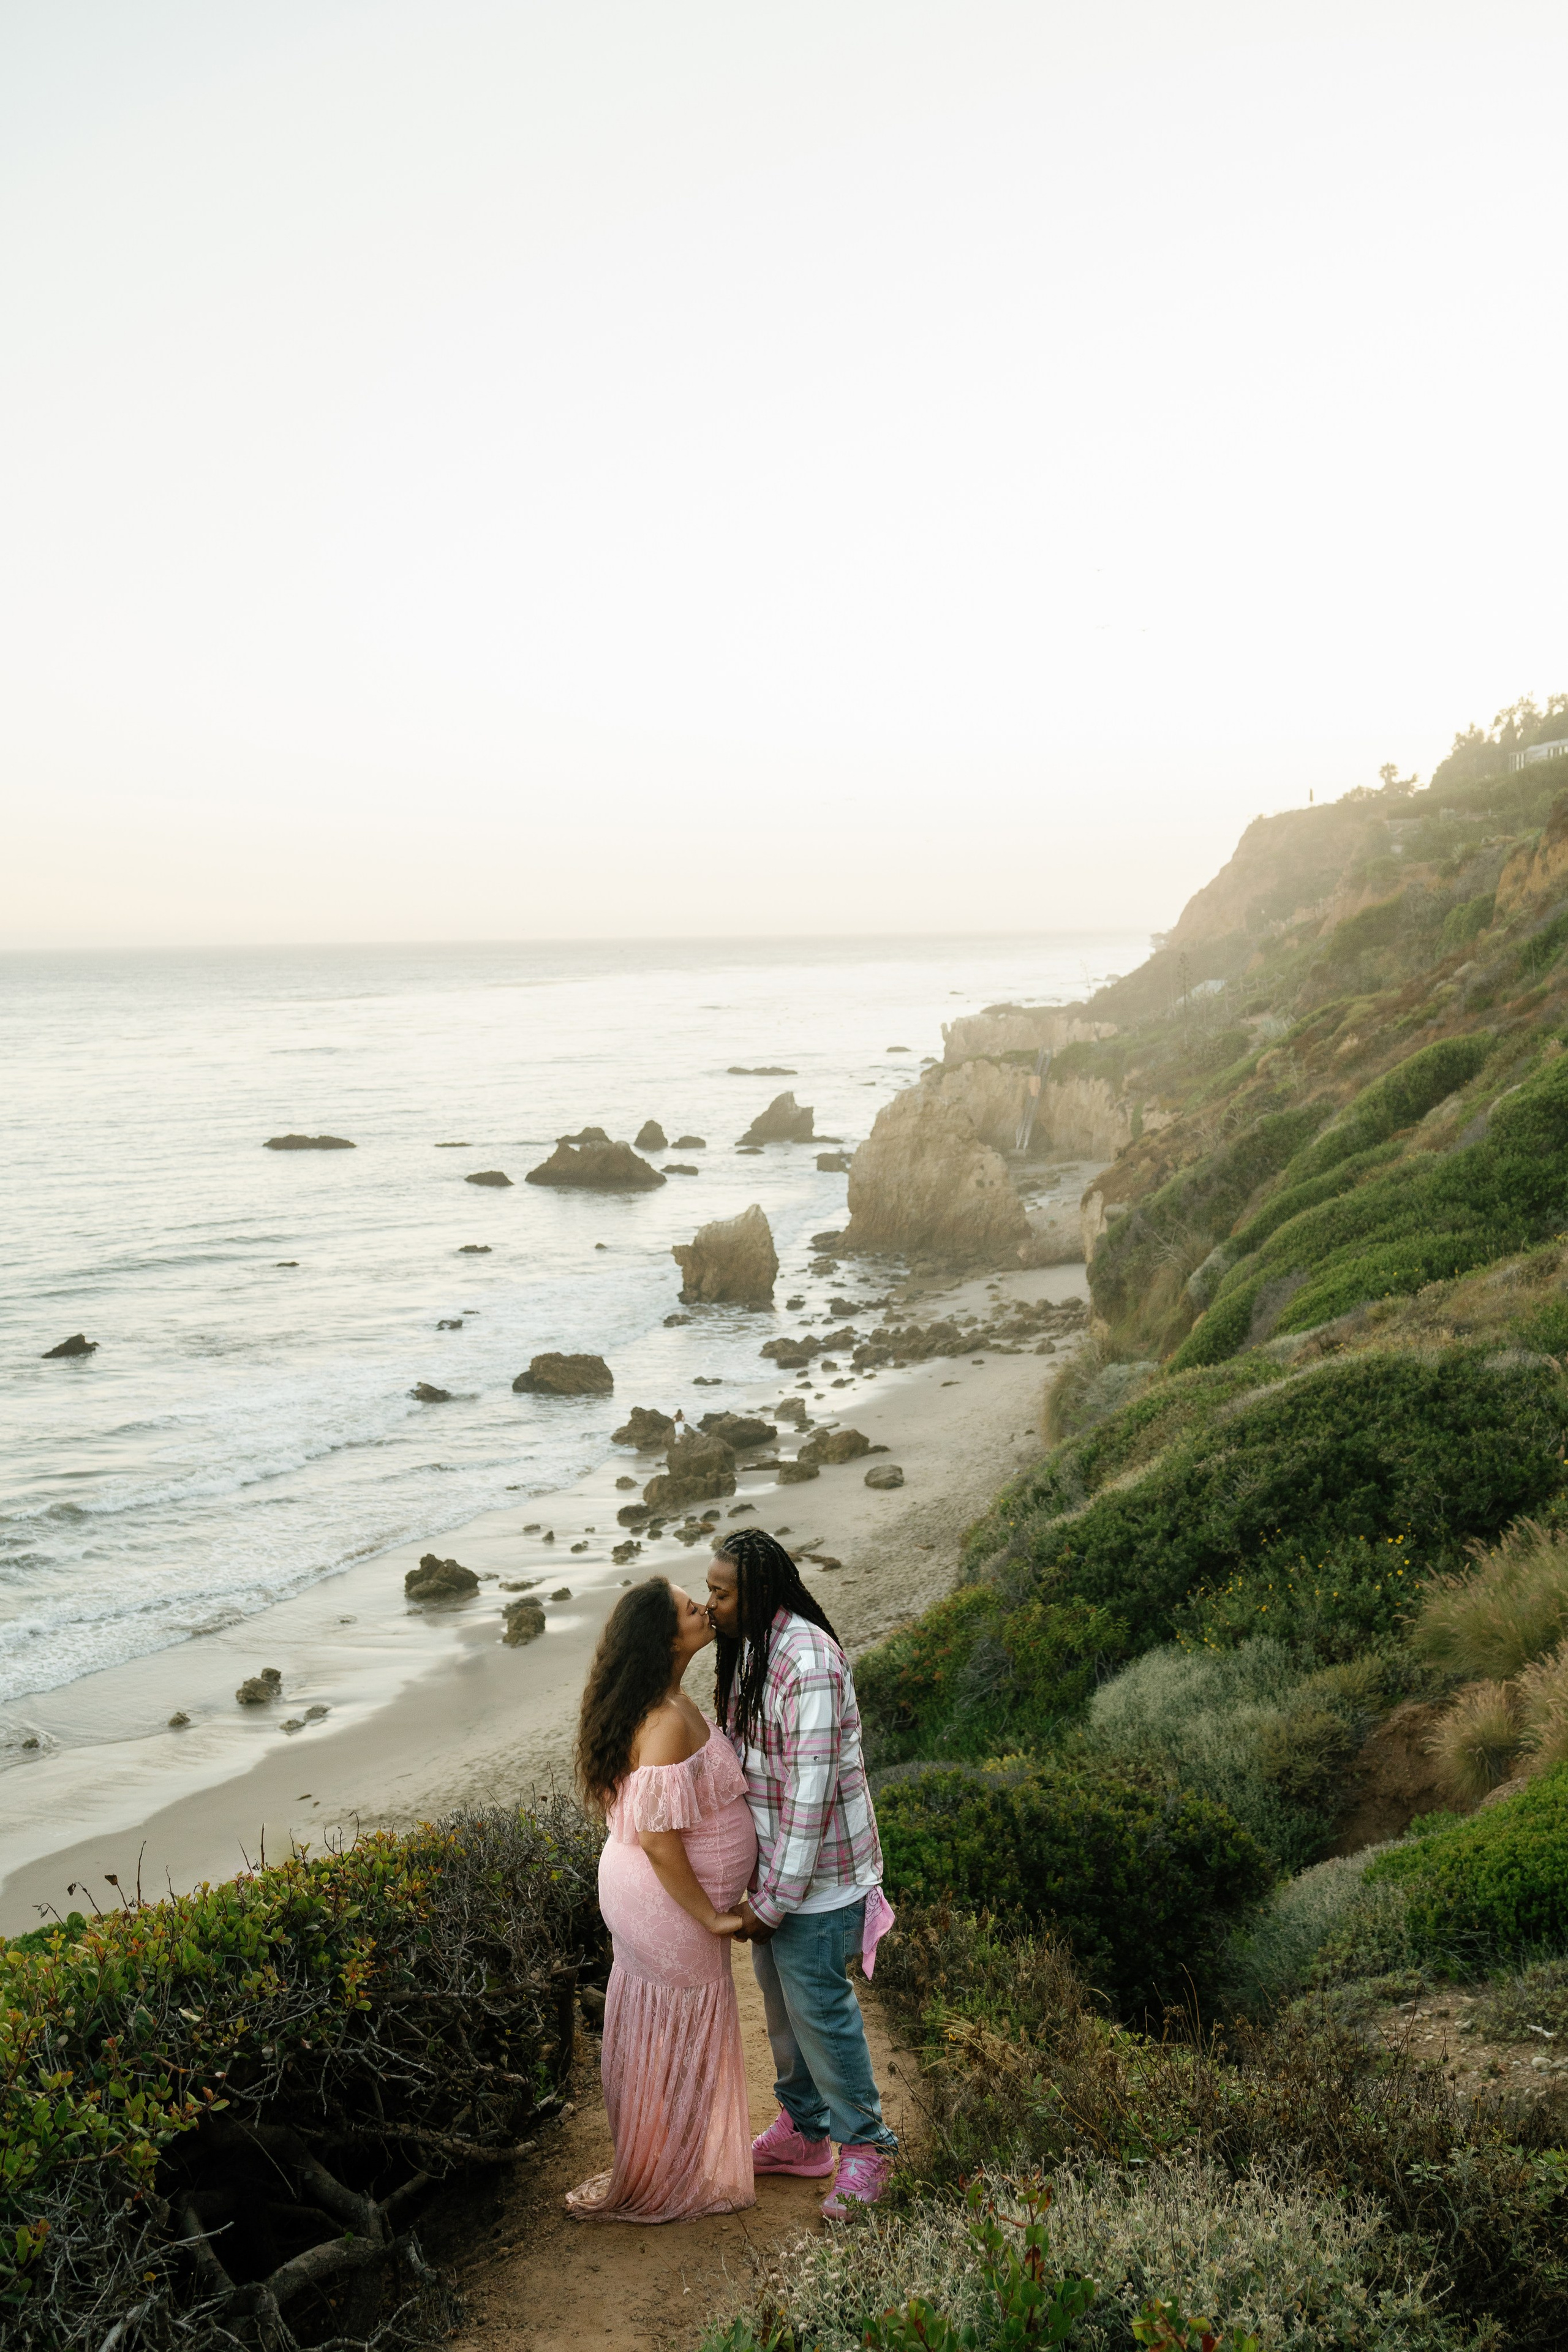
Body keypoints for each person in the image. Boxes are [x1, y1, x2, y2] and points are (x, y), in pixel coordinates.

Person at [705, 1529, 898, 2220]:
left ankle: (867, 2151)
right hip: (776, 1881)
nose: (711, 1606)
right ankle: (804, 2133)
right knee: (784, 2018)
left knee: (821, 2017)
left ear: (756, 1592)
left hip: (819, 1884)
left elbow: (810, 1792)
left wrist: (775, 1903)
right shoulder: (755, 1649)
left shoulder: (808, 1661)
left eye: (721, 1593)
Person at [565, 1576, 757, 2223]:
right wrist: (709, 1913)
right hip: (667, 1906)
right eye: (686, 1607)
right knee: (676, 2034)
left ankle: (666, 2160)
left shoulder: (667, 1701)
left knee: (664, 2031)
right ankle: (671, 2173)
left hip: (651, 1899)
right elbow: (656, 1837)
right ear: (663, 1638)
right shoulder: (667, 1720)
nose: (702, 1608)